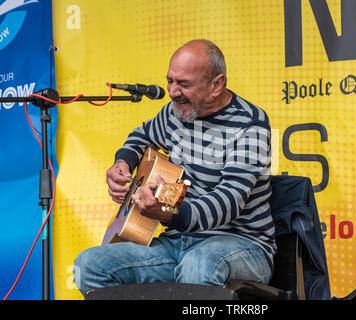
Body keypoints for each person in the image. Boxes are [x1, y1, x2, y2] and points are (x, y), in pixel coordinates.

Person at [73, 39, 276, 297]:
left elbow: (229, 201)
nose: (172, 91)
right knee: (89, 265)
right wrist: (123, 162)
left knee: (199, 265)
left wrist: (167, 214)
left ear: (216, 84)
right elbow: (142, 135)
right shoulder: (174, 113)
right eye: (170, 80)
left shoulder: (250, 124)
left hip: (244, 246)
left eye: (184, 84)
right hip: (178, 242)